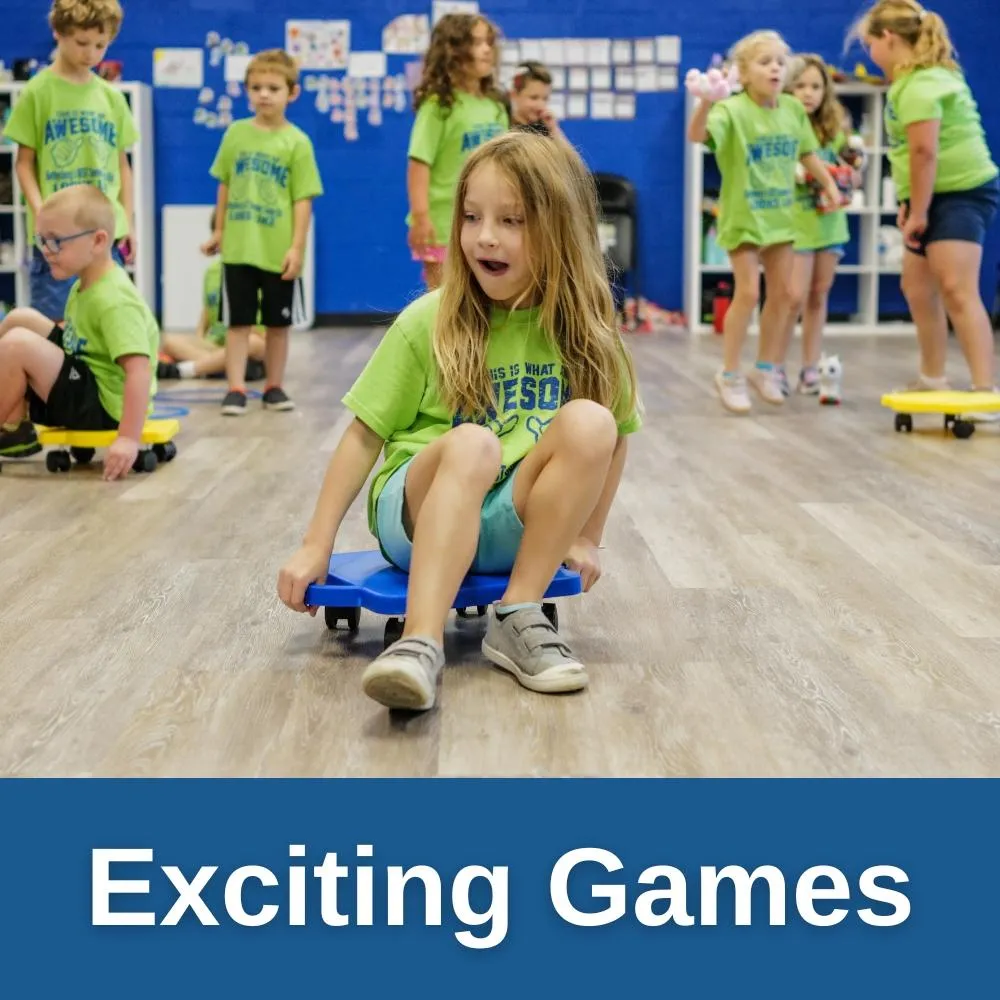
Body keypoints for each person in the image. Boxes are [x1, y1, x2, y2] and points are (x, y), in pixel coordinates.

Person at [278, 131, 642, 713]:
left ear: (563, 231)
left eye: (512, 221)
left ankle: (517, 615)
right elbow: (363, 434)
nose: (485, 236)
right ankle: (418, 643)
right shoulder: (429, 320)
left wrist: (587, 537)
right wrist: (314, 545)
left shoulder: (587, 331)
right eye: (472, 217)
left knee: (593, 422)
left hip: (513, 520)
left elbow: (617, 436)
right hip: (420, 514)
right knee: (471, 443)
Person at [0, 0, 136, 453]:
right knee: (48, 317)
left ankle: (82, 402)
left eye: (101, 44)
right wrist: (41, 213)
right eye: (83, 42)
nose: (92, 52)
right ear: (58, 33)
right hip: (57, 236)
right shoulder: (38, 91)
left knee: (94, 321)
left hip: (99, 236)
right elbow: (24, 163)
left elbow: (123, 165)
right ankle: (15, 422)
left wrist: (127, 220)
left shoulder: (111, 97)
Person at [687, 31, 843, 414]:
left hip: (781, 219)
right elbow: (696, 135)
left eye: (778, 61)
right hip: (743, 218)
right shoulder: (731, 109)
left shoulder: (791, 109)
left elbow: (807, 154)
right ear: (743, 72)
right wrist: (706, 102)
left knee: (787, 296)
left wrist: (829, 185)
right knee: (749, 294)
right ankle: (729, 373)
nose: (774, 67)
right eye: (764, 61)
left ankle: (765, 368)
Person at [851, 0, 999, 394]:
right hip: (932, 194)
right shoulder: (913, 82)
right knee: (917, 288)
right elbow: (912, 157)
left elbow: (924, 153)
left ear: (889, 38)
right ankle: (933, 378)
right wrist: (909, 202)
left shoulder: (922, 85)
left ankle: (986, 389)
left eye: (870, 45)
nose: (872, 55)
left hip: (963, 192)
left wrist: (918, 211)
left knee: (956, 287)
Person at [0, 186, 157, 480]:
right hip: (87, 376)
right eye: (42, 241)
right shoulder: (85, 283)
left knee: (16, 344)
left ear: (98, 241)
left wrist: (127, 438)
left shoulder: (114, 300)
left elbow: (139, 371)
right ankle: (15, 426)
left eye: (56, 242)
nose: (46, 251)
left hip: (104, 407)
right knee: (19, 320)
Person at [202, 49, 323, 416]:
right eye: (256, 87)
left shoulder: (297, 142)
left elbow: (303, 199)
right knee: (237, 323)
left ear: (292, 93)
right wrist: (219, 230)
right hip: (239, 249)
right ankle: (236, 387)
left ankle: (273, 385)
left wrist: (297, 247)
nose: (264, 94)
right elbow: (223, 184)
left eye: (273, 87)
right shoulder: (235, 134)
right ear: (247, 91)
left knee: (277, 325)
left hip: (276, 250)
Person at [406, 12, 508, 291]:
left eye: (489, 42)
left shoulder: (495, 106)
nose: (487, 49)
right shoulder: (438, 105)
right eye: (477, 43)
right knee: (443, 302)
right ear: (453, 50)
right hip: (442, 222)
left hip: (488, 222)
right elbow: (419, 164)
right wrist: (421, 217)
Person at [781, 54, 864, 394]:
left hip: (830, 222)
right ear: (788, 88)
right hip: (795, 223)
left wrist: (851, 174)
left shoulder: (836, 126)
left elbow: (854, 169)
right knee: (792, 297)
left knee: (818, 295)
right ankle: (774, 367)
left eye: (816, 86)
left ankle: (810, 368)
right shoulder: (782, 123)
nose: (808, 93)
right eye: (800, 85)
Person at [159, 212, 266, 382]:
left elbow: (265, 333)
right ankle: (221, 366)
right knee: (169, 342)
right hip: (216, 345)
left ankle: (188, 369)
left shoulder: (258, 271)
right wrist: (199, 336)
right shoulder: (212, 272)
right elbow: (207, 310)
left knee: (254, 343)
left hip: (248, 343)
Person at [507, 61, 565, 140]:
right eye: (534, 98)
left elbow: (565, 152)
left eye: (545, 99)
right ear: (514, 95)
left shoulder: (545, 127)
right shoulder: (504, 125)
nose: (541, 105)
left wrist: (553, 129)